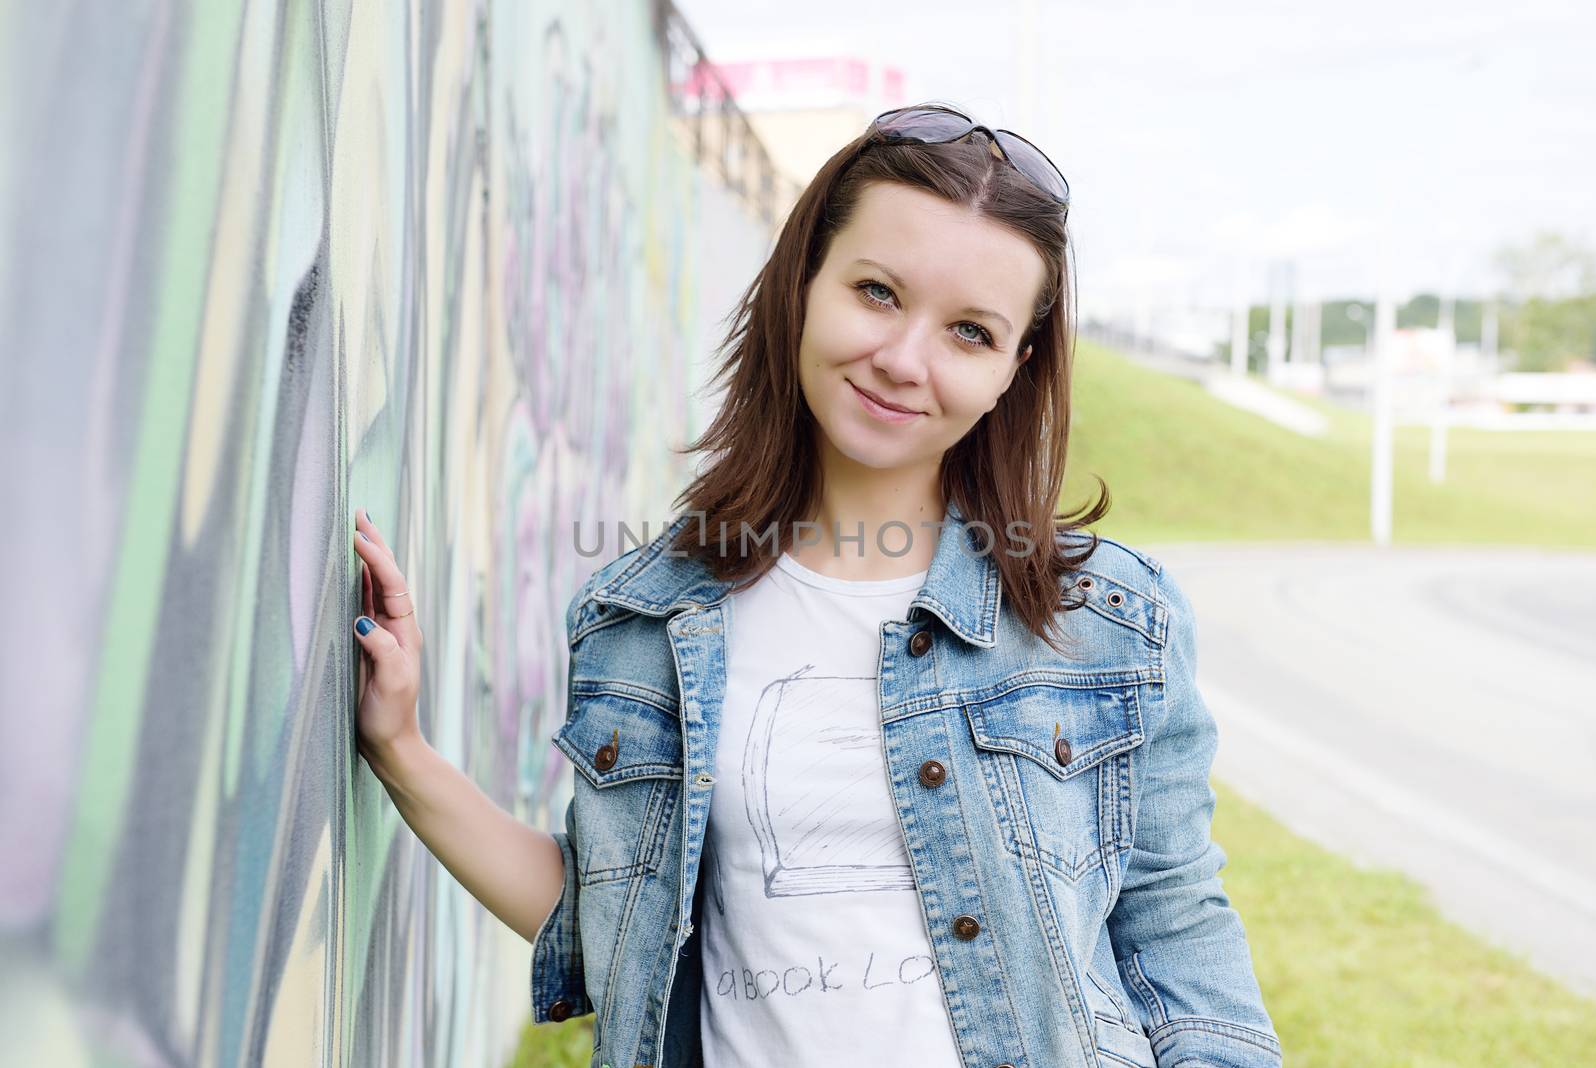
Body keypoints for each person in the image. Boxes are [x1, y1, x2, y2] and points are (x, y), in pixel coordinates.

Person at [350, 102, 1282, 1068]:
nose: (905, 359)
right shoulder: (643, 618)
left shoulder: (1109, 624)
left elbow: (1176, 928)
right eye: (878, 292)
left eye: (969, 332)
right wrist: (401, 748)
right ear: (803, 283)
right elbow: (614, 928)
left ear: (1015, 368)